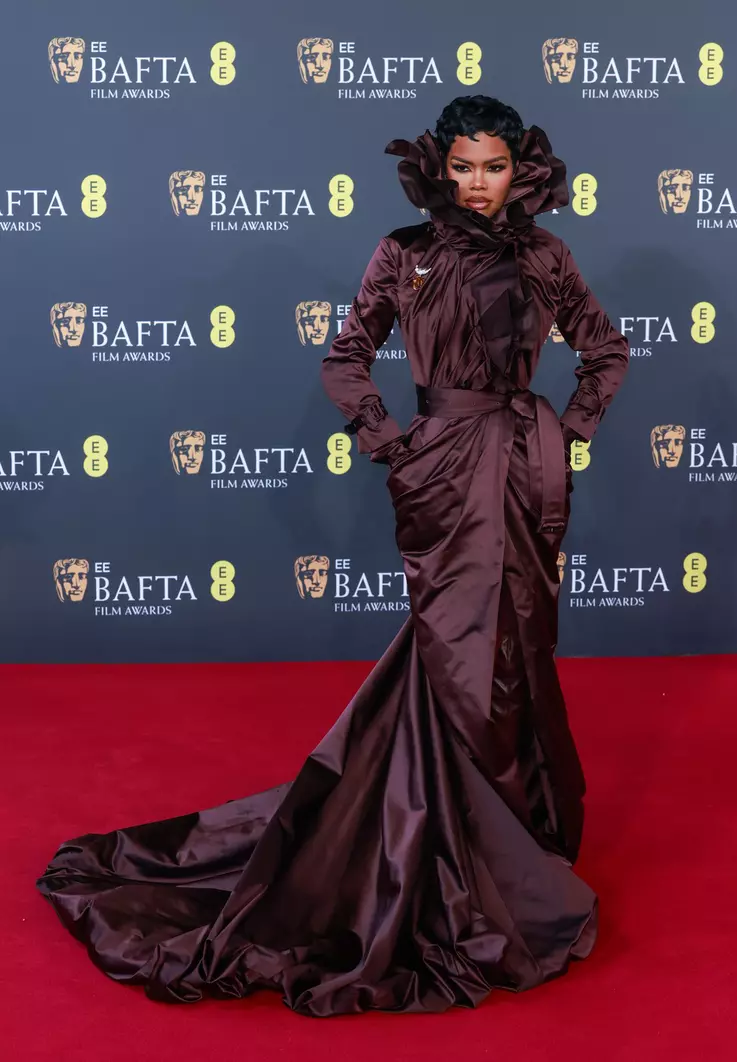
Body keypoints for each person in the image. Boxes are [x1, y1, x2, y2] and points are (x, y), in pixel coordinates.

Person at [36, 96, 628, 1017]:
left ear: (521, 170)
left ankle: (497, 847)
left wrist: (566, 433)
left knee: (510, 648)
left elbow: (605, 352)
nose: (478, 183)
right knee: (454, 649)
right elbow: (346, 357)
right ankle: (450, 852)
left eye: (494, 167)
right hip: (440, 472)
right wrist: (395, 444)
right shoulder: (404, 251)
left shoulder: (546, 255)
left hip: (521, 472)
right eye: (463, 166)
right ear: (440, 168)